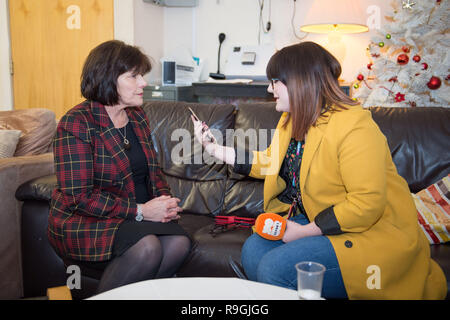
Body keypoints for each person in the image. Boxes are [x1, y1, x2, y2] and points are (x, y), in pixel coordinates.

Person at [192, 41, 447, 299]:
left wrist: (304, 232)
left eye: (275, 82)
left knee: (274, 269)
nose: (270, 89)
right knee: (253, 251)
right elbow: (270, 162)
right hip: (321, 219)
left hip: (369, 231)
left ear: (299, 82)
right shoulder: (291, 119)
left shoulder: (354, 127)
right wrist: (215, 149)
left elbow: (366, 204)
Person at [48, 40, 191, 294]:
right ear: (108, 78)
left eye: (142, 76)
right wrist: (142, 211)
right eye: (134, 76)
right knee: (148, 248)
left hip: (132, 216)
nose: (143, 83)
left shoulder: (137, 116)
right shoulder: (76, 123)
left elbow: (152, 172)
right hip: (86, 220)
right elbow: (78, 198)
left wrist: (165, 202)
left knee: (179, 242)